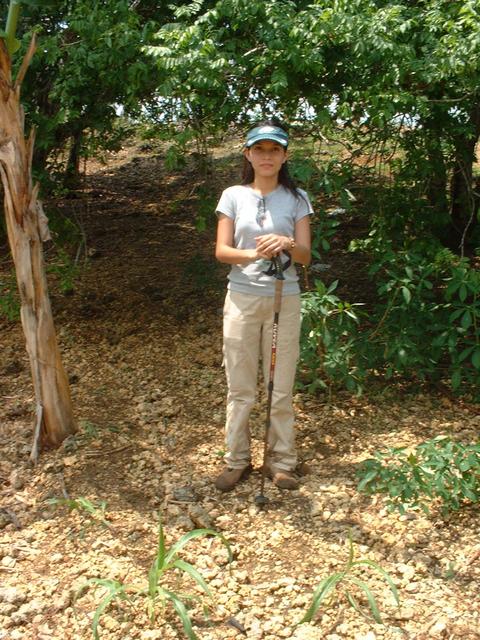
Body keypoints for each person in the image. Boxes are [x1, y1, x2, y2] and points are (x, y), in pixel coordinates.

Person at [214, 119, 313, 492]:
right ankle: (237, 460)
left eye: (274, 150)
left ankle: (282, 461)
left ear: (285, 155)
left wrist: (285, 242)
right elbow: (222, 251)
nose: (267, 156)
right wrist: (256, 251)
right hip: (241, 298)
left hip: (283, 300)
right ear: (248, 154)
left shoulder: (298, 198)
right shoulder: (232, 195)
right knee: (240, 387)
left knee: (281, 386)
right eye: (260, 149)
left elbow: (304, 255)